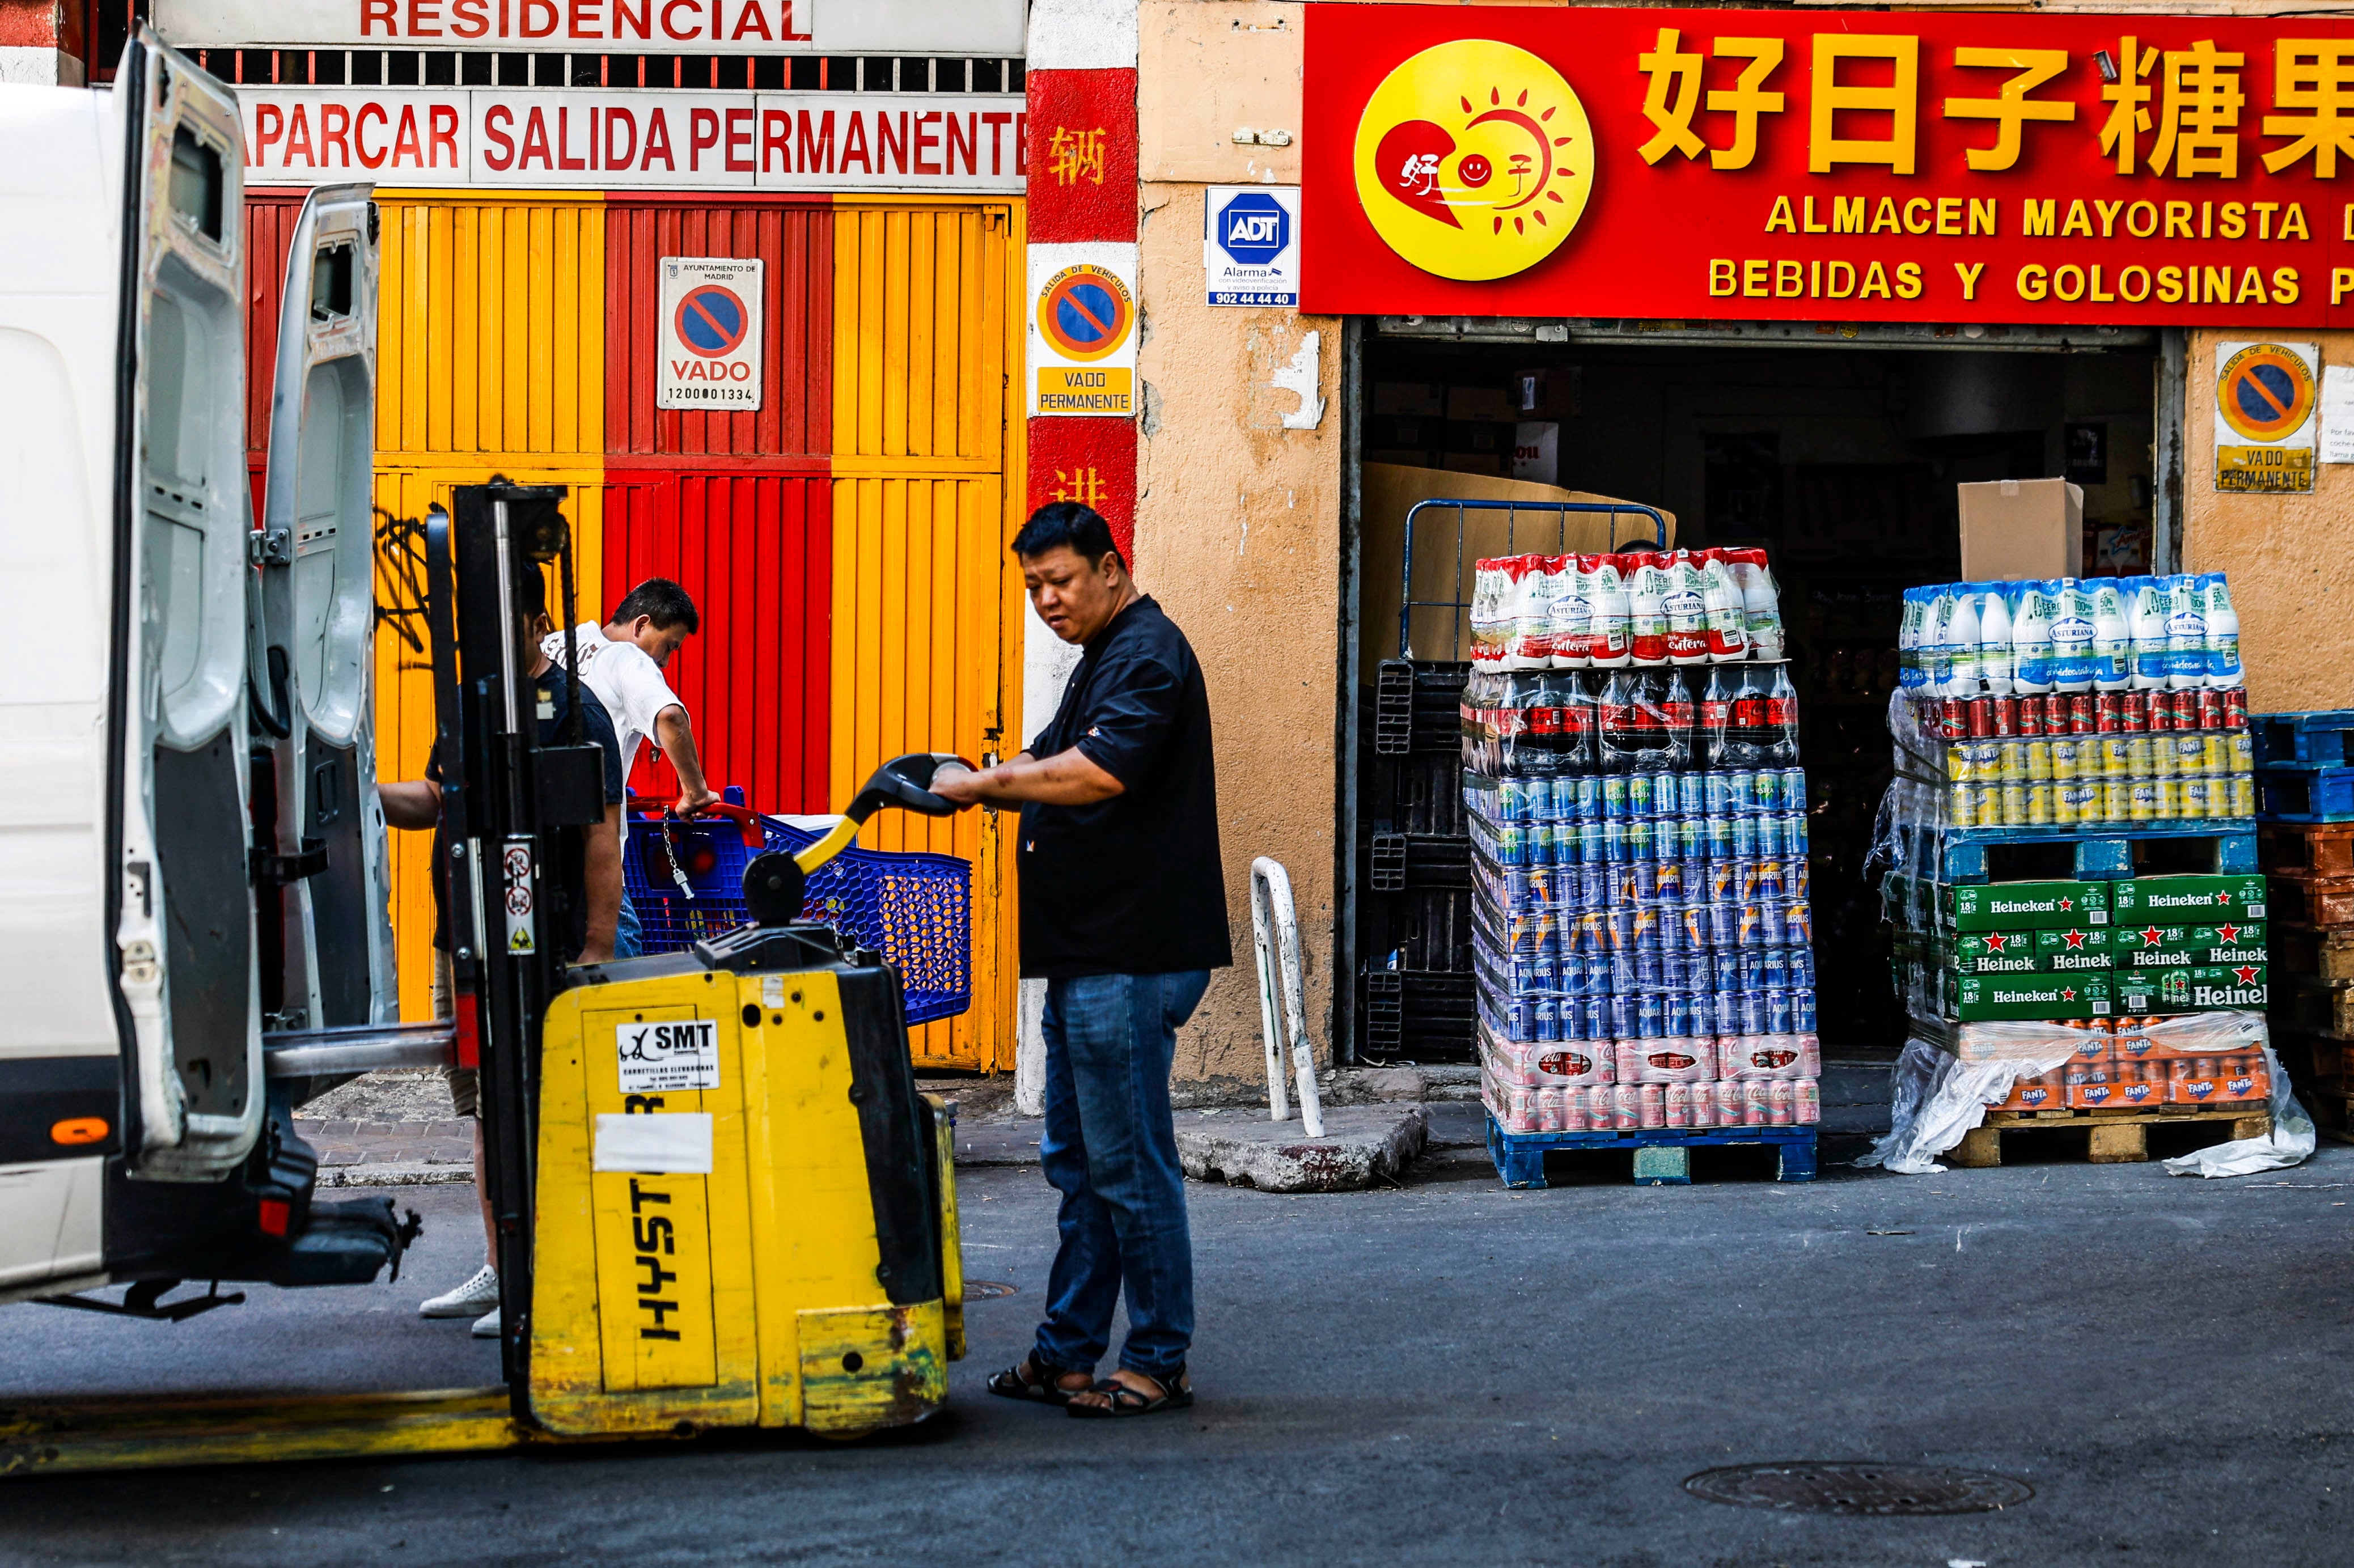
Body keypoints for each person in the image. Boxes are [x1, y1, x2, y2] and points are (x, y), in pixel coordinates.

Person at [931, 502, 1230, 1418]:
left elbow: (1099, 772)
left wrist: (985, 786)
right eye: (1031, 588)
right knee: (1082, 1164)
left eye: (1059, 581)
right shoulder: (1104, 655)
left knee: (1129, 1166)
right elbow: (1051, 754)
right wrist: (968, 769)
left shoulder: (1147, 651)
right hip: (1089, 954)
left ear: (1110, 566)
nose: (1047, 601)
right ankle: (1065, 1350)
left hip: (1128, 953)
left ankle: (1157, 1356)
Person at [380, 566, 629, 1338]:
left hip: (541, 946)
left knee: (541, 1110)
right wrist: (362, 791)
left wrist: (593, 947)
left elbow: (601, 839)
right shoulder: (469, 704)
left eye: (503, 618)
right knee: (488, 1112)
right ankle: (502, 1267)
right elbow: (434, 797)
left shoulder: (576, 711)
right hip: (467, 942)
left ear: (537, 618)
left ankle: (548, 1271)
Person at [541, 578, 713, 959]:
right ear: (641, 625)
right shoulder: (627, 658)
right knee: (619, 990)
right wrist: (695, 791)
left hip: (540, 857)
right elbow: (670, 718)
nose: (666, 661)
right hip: (592, 860)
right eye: (669, 646)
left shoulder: (555, 646)